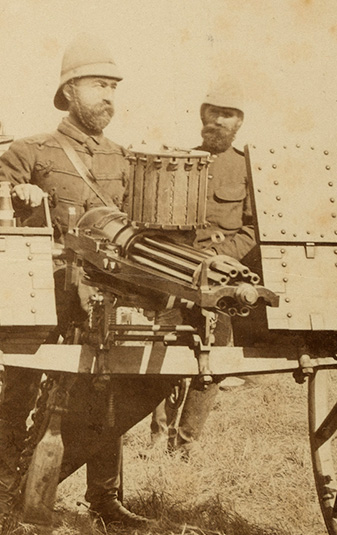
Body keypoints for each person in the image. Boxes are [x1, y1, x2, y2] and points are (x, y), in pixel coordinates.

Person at [0, 34, 150, 535]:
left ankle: (105, 500)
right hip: (42, 298)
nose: (109, 96)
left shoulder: (125, 158)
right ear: (70, 90)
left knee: (107, 394)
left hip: (106, 297)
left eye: (114, 86)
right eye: (99, 85)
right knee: (19, 397)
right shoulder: (31, 151)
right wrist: (20, 194)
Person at [149, 74, 257, 459]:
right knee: (160, 351)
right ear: (202, 115)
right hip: (176, 271)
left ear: (239, 122)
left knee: (215, 359)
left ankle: (186, 443)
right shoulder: (180, 162)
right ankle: (158, 435)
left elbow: (252, 228)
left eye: (227, 115)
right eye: (213, 113)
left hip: (221, 275)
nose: (218, 122)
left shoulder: (248, 169)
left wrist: (224, 257)